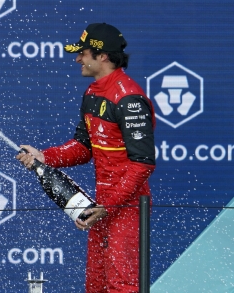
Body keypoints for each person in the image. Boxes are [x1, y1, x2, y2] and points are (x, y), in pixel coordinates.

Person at [16, 23, 155, 292]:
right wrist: (44, 156)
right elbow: (83, 147)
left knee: (121, 285)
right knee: (96, 284)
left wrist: (109, 206)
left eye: (83, 53)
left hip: (126, 207)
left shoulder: (130, 99)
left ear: (102, 56)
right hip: (101, 205)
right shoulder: (92, 93)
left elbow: (143, 164)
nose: (78, 58)